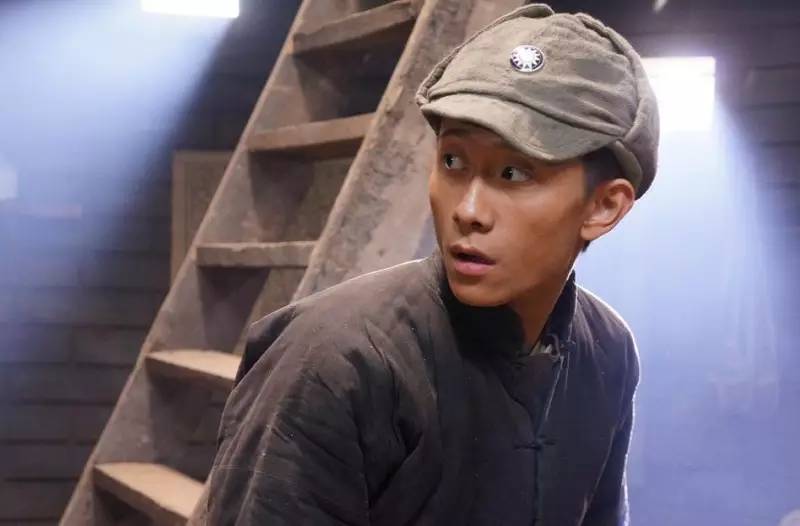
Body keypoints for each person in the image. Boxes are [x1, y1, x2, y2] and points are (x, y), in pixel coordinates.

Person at [206, 3, 659, 525]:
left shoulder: (606, 352)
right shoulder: (337, 363)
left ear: (604, 206)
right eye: (452, 161)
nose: (468, 210)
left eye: (514, 173)